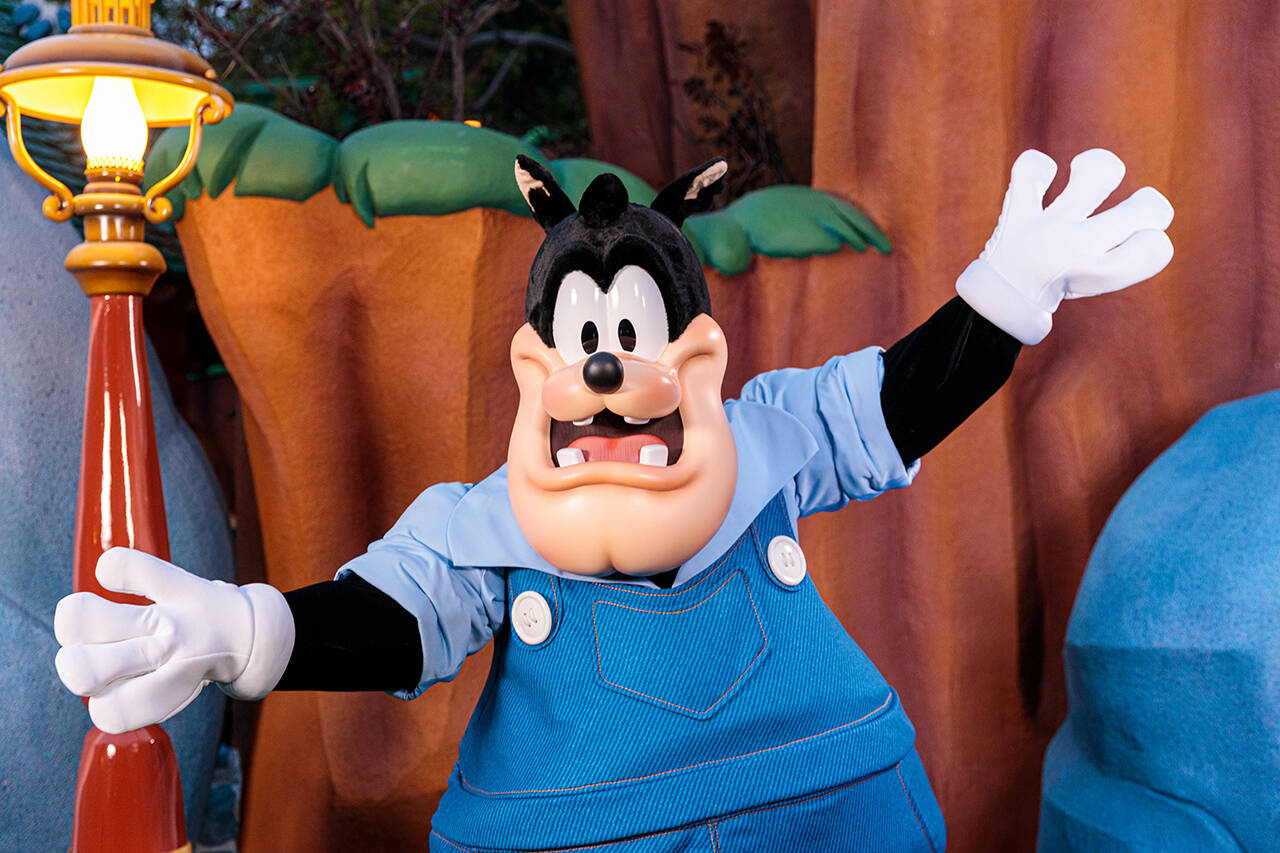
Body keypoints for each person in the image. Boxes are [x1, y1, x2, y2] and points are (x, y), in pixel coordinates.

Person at [54, 148, 1173, 852]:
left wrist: (1004, 293)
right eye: (585, 340)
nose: (605, 368)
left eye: (630, 335)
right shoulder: (486, 524)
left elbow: (892, 403)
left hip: (827, 798)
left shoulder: (769, 439)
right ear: (538, 365)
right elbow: (394, 615)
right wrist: (249, 629)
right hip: (579, 820)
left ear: (695, 353)